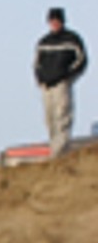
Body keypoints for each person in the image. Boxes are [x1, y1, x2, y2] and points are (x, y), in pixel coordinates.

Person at [35, 8, 88, 159]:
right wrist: (40, 79)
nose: (54, 23)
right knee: (49, 119)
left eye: (57, 20)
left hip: (62, 85)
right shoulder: (43, 42)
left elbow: (81, 60)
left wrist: (68, 77)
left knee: (62, 117)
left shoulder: (72, 40)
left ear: (62, 21)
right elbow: (37, 63)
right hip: (46, 87)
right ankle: (54, 149)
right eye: (52, 21)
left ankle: (60, 152)